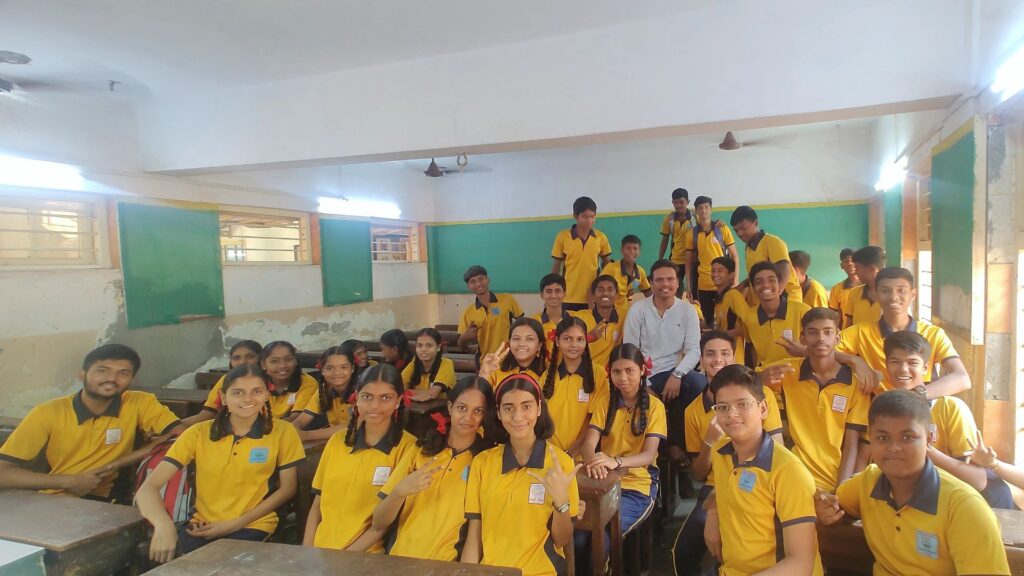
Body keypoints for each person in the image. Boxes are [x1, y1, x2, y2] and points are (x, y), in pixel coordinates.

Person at [816, 390, 1010, 576]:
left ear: (929, 440)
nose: (894, 448)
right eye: (883, 438)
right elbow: (836, 507)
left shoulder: (965, 508)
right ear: (871, 440)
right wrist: (826, 511)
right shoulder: (868, 482)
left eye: (908, 437)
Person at [137, 364, 305, 562]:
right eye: (238, 392)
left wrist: (235, 524)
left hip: (255, 525)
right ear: (224, 397)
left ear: (267, 395)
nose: (248, 399)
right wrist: (163, 526)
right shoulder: (198, 432)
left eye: (257, 391)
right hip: (202, 525)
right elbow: (147, 489)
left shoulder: (283, 432)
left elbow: (287, 490)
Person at [0, 344, 183, 501]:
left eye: (123, 373)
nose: (111, 379)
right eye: (102, 370)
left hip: (107, 500)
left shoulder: (139, 402)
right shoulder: (48, 412)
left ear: (131, 380)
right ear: (82, 375)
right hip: (55, 498)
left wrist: (116, 464)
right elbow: (3, 474)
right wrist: (69, 481)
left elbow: (181, 435)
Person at [673, 332, 783, 576]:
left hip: (761, 486)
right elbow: (699, 474)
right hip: (714, 488)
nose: (717, 359)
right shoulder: (693, 411)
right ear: (701, 360)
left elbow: (778, 451)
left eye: (725, 353)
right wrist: (709, 442)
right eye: (710, 354)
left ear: (734, 357)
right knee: (683, 550)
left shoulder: (759, 398)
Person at [703, 365, 822, 575]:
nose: (732, 414)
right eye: (722, 407)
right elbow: (723, 489)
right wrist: (713, 516)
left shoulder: (788, 471)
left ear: (763, 409)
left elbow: (801, 564)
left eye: (742, 404)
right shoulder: (721, 451)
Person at [462, 373, 581, 576]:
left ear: (539, 409)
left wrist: (562, 502)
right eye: (508, 408)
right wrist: (467, 572)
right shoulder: (483, 462)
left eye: (526, 407)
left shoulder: (560, 463)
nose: (518, 417)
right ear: (498, 413)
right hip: (490, 571)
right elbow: (475, 534)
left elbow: (562, 540)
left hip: (541, 571)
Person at [883, 331, 1015, 509]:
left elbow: (976, 478)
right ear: (886, 365)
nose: (903, 369)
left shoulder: (950, 408)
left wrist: (927, 451)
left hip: (978, 500)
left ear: (925, 367)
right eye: (895, 362)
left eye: (912, 362)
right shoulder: (884, 408)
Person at [372, 377, 495, 560]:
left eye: (478, 411)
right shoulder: (420, 449)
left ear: (485, 415)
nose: (468, 418)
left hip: (446, 566)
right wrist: (399, 492)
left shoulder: (485, 460)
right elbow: (379, 522)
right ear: (449, 407)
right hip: (399, 560)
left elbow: (476, 533)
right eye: (462, 408)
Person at [304, 364, 419, 552]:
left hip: (367, 555)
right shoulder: (337, 441)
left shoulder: (408, 447)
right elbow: (318, 501)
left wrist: (346, 557)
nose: (375, 406)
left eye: (385, 398)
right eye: (367, 397)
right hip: (319, 549)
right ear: (356, 397)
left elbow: (384, 523)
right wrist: (307, 549)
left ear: (398, 400)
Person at [576, 344, 667, 574]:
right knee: (577, 536)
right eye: (616, 372)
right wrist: (594, 462)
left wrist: (614, 461)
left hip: (638, 486)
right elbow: (588, 444)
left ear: (642, 371)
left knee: (603, 537)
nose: (623, 378)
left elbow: (648, 455)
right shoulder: (605, 402)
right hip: (602, 484)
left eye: (629, 371)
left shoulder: (655, 407)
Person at [759, 308, 868, 491]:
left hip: (835, 478)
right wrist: (760, 379)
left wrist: (840, 492)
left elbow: (851, 446)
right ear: (802, 339)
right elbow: (741, 383)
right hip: (795, 474)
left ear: (838, 338)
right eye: (813, 332)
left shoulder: (855, 384)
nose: (821, 338)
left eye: (827, 332)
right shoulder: (788, 371)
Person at [836, 267, 969, 397]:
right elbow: (823, 351)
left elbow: (962, 378)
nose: (894, 297)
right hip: (878, 408)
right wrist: (855, 361)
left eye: (901, 290)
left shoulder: (933, 334)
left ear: (913, 294)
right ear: (876, 294)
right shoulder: (861, 332)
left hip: (921, 407)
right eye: (885, 290)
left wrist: (916, 396)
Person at [623, 259, 702, 464]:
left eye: (670, 279)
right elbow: (630, 351)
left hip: (673, 372)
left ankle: (677, 447)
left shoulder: (688, 311)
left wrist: (677, 375)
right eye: (659, 280)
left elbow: (694, 350)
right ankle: (672, 449)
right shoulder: (638, 310)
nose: (664, 284)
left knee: (698, 384)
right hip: (644, 375)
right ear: (651, 282)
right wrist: (643, 384)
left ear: (677, 283)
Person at [542, 316, 609, 456]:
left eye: (579, 339)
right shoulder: (547, 376)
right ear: (557, 341)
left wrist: (570, 454)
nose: (574, 344)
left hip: (580, 457)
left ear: (586, 342)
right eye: (567, 339)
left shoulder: (598, 374)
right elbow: (540, 418)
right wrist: (553, 453)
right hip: (549, 455)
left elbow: (594, 421)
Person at [740, 261, 811, 367]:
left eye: (771, 280)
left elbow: (820, 348)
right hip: (769, 378)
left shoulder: (802, 311)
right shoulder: (748, 316)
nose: (766, 285)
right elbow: (751, 349)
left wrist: (804, 351)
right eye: (759, 282)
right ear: (753, 288)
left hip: (800, 376)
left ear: (780, 285)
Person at [729, 205, 802, 304]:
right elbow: (753, 277)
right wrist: (736, 290)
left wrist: (775, 297)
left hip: (786, 301)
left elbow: (784, 269)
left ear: (756, 223)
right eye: (736, 230)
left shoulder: (772, 242)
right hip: (765, 302)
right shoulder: (749, 248)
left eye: (744, 228)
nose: (740, 234)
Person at [551, 196, 612, 312]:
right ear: (575, 216)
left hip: (593, 298)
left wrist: (606, 291)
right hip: (567, 297)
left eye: (592, 217)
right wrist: (553, 292)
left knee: (591, 329)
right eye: (585, 216)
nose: (589, 221)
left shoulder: (600, 237)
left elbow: (608, 267)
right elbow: (556, 268)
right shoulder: (562, 237)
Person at [186, 340, 263, 427]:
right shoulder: (226, 380)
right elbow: (208, 413)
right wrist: (177, 425)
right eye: (236, 358)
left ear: (261, 359)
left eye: (250, 357)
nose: (242, 362)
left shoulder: (269, 381)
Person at [685, 195, 738, 320]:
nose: (703, 210)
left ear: (711, 209)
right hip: (703, 284)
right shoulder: (691, 234)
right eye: (700, 208)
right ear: (696, 211)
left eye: (706, 207)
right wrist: (688, 286)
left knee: (727, 319)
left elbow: (735, 256)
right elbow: (688, 262)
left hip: (724, 283)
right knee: (707, 319)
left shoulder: (722, 229)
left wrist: (735, 281)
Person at [291, 347, 357, 442]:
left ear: (352, 368)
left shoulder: (362, 391)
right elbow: (302, 420)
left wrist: (306, 435)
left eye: (344, 367)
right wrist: (288, 431)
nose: (337, 372)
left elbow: (353, 425)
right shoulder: (324, 389)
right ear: (322, 370)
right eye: (330, 368)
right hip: (337, 441)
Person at [457, 265, 524, 358]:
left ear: (488, 280)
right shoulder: (468, 312)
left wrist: (514, 338)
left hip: (509, 359)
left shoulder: (507, 299)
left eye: (481, 279)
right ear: (468, 286)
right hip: (484, 363)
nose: (478, 284)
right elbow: (462, 346)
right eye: (473, 281)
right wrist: (464, 338)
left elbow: (522, 322)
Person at [575, 274, 626, 370]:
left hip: (612, 376)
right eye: (600, 290)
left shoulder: (625, 315)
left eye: (610, 289)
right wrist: (590, 337)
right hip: (585, 373)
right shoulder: (580, 317)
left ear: (617, 295)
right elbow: (569, 347)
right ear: (593, 296)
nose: (605, 293)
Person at [479, 317, 548, 386]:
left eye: (529, 339)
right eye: (516, 339)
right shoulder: (495, 371)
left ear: (539, 345)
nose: (521, 344)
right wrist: (485, 374)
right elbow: (480, 395)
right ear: (509, 342)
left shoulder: (548, 374)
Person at [709, 256, 750, 367]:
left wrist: (724, 334)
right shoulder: (719, 300)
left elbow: (751, 325)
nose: (715, 274)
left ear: (731, 275)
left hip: (735, 358)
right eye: (713, 271)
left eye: (720, 271)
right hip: (722, 357)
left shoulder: (733, 295)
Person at [532, 273, 584, 356]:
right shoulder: (534, 322)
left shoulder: (576, 318)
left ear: (565, 293)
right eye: (549, 291)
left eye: (558, 291)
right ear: (541, 295)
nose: (553, 295)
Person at [402, 328, 457, 402]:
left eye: (429, 346)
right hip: (419, 408)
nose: (423, 349)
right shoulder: (414, 362)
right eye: (419, 345)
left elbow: (432, 394)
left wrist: (409, 393)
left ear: (438, 347)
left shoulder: (446, 364)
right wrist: (422, 394)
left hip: (442, 408)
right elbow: (398, 386)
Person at [600, 234, 652, 309]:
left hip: (625, 311)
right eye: (628, 248)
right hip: (608, 310)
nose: (631, 252)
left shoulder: (640, 272)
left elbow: (648, 292)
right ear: (622, 250)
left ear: (639, 252)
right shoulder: (611, 268)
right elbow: (597, 289)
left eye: (635, 249)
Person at [658, 187, 694, 295]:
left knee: (692, 291)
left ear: (688, 202)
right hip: (675, 260)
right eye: (675, 203)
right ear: (672, 203)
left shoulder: (695, 217)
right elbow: (665, 239)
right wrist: (660, 259)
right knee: (675, 290)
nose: (678, 205)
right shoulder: (669, 219)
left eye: (681, 202)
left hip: (692, 260)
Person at [840, 246, 884, 327]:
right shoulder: (854, 293)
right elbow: (848, 327)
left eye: (857, 268)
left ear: (871, 269)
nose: (855, 272)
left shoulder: (891, 296)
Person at [827, 248, 859, 321]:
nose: (850, 263)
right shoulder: (836, 289)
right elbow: (835, 315)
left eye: (853, 260)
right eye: (846, 261)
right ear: (842, 265)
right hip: (847, 331)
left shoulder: (869, 285)